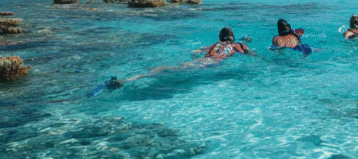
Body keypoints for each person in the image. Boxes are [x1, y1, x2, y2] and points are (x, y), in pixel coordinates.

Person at [107, 27, 251, 88]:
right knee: (166, 70)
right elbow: (251, 54)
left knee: (163, 69)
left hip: (205, 62)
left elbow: (195, 52)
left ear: (220, 37)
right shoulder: (239, 45)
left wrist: (196, 58)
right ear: (233, 38)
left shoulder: (214, 44)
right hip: (212, 64)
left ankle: (124, 80)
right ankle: (124, 81)